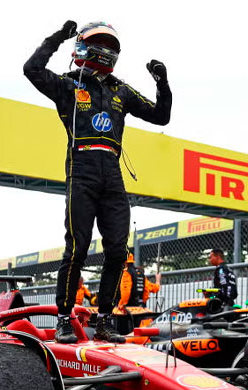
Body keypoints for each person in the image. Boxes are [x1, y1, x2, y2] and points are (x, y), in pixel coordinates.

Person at [24, 20, 172, 343]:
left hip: (113, 174)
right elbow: (31, 69)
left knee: (119, 250)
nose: (104, 49)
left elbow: (161, 115)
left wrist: (162, 82)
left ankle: (105, 320)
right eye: (98, 43)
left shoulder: (121, 90)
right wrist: (58, 37)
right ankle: (64, 319)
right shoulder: (68, 84)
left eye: (109, 45)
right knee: (77, 247)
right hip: (82, 169)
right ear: (82, 48)